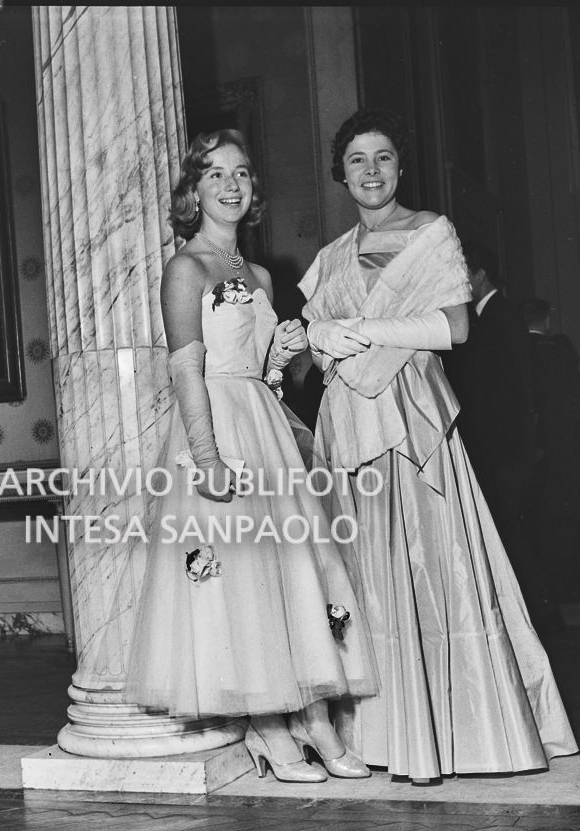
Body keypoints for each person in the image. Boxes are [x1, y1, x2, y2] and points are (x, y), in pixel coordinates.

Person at [74, 129, 376, 782]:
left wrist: (281, 359)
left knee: (292, 571)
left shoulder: (260, 274)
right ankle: (269, 727)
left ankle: (314, 720)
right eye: (215, 174)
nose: (231, 185)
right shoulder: (185, 270)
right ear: (193, 189)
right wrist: (207, 458)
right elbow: (188, 370)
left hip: (264, 426)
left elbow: (258, 372)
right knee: (242, 579)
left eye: (241, 173)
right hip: (216, 431)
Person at [298, 107, 578, 783]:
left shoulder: (431, 232)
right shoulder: (330, 256)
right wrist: (318, 338)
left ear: (401, 167)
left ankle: (458, 735)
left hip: (413, 421)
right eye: (358, 159)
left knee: (431, 567)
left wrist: (361, 331)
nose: (371, 170)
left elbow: (454, 328)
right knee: (364, 576)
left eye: (384, 157)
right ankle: (378, 734)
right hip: (349, 426)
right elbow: (316, 344)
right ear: (341, 173)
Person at [444, 242, 562, 634]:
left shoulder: (498, 317)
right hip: (503, 445)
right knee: (506, 528)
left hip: (506, 447)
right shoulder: (489, 316)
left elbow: (519, 387)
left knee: (506, 528)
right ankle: (535, 613)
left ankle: (539, 614)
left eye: (463, 274)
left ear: (479, 276)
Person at [520, 297, 580, 602]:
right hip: (563, 449)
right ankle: (567, 581)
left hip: (527, 451)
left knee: (533, 518)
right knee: (564, 516)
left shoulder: (515, 352)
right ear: (547, 321)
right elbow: (578, 405)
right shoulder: (560, 354)